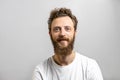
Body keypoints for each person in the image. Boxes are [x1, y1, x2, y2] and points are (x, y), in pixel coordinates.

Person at [32, 7, 103, 80]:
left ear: (74, 33)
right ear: (50, 34)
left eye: (67, 29)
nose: (62, 33)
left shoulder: (90, 67)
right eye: (57, 29)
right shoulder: (41, 71)